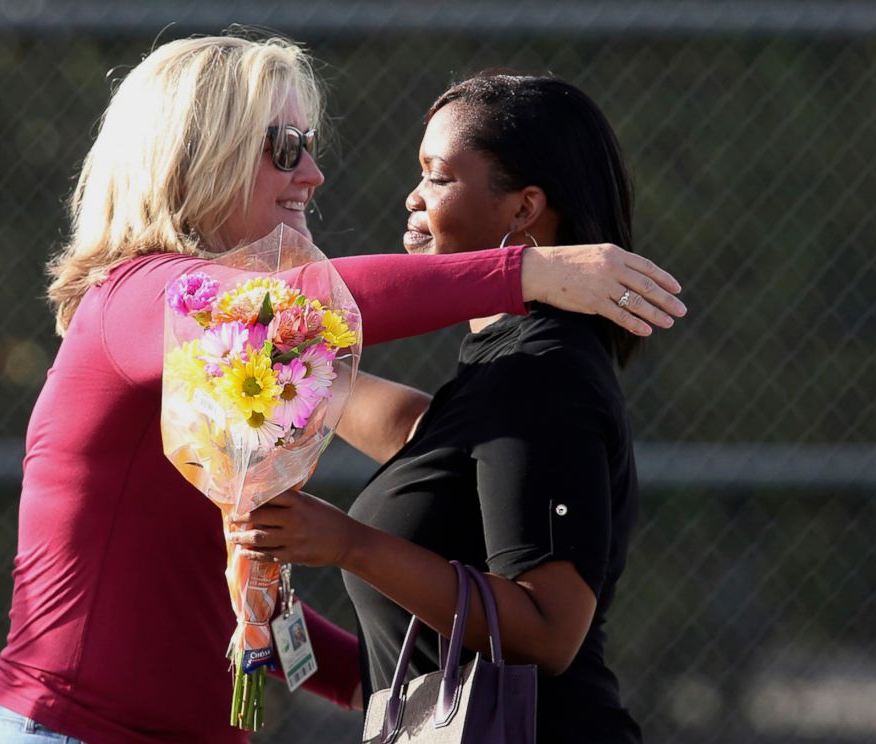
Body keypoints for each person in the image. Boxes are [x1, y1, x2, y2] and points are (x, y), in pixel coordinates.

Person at [0, 34, 683, 744]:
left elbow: (414, 435)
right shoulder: (141, 298)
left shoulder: (228, 352)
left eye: (308, 144)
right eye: (283, 148)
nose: (312, 172)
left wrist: (382, 684)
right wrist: (526, 273)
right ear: (198, 159)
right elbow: (308, 305)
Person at [232, 72, 653, 742]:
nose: (413, 197)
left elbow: (549, 633)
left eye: (437, 176)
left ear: (523, 210)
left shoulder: (541, 374)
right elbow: (425, 440)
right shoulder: (503, 363)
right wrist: (285, 369)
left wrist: (348, 542)